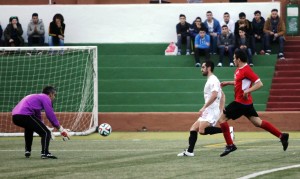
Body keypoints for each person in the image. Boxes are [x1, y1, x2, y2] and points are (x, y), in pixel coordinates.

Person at [218, 49, 289, 157]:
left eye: (234, 58)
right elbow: (239, 83)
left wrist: (248, 91)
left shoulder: (246, 70)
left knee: (222, 119)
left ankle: (230, 145)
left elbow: (259, 83)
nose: (233, 60)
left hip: (240, 102)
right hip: (246, 103)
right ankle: (281, 136)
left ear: (239, 59)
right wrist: (228, 83)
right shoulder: (238, 70)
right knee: (258, 122)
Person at [177, 60, 234, 157]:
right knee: (193, 129)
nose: (201, 69)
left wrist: (205, 107)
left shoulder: (213, 80)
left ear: (209, 68)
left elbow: (215, 95)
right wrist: (221, 107)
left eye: (203, 67)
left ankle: (228, 130)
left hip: (211, 110)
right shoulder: (211, 80)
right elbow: (222, 94)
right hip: (209, 110)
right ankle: (190, 151)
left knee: (202, 130)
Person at [12, 86, 70, 159]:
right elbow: (50, 114)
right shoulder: (46, 98)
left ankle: (28, 151)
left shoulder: (37, 97)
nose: (54, 97)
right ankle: (45, 153)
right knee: (46, 133)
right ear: (50, 94)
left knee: (29, 128)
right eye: (54, 95)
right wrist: (60, 128)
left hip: (15, 117)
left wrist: (44, 127)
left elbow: (37, 117)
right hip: (25, 115)